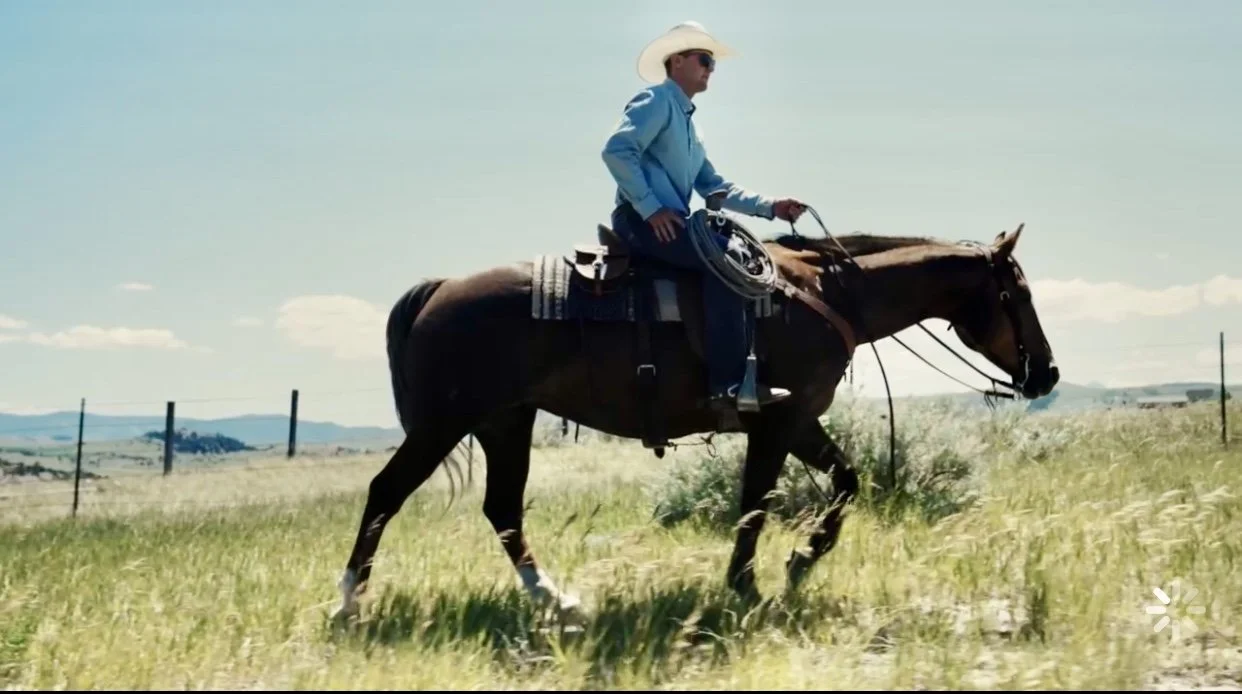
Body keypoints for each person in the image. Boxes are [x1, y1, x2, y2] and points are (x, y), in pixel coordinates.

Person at [601, 20, 807, 415]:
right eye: (704, 60)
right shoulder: (657, 100)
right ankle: (728, 385)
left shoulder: (689, 126)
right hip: (643, 221)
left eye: (713, 63)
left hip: (669, 221)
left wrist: (771, 207)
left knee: (732, 260)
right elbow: (616, 150)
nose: (711, 69)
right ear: (677, 61)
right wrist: (650, 207)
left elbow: (714, 187)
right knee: (726, 267)